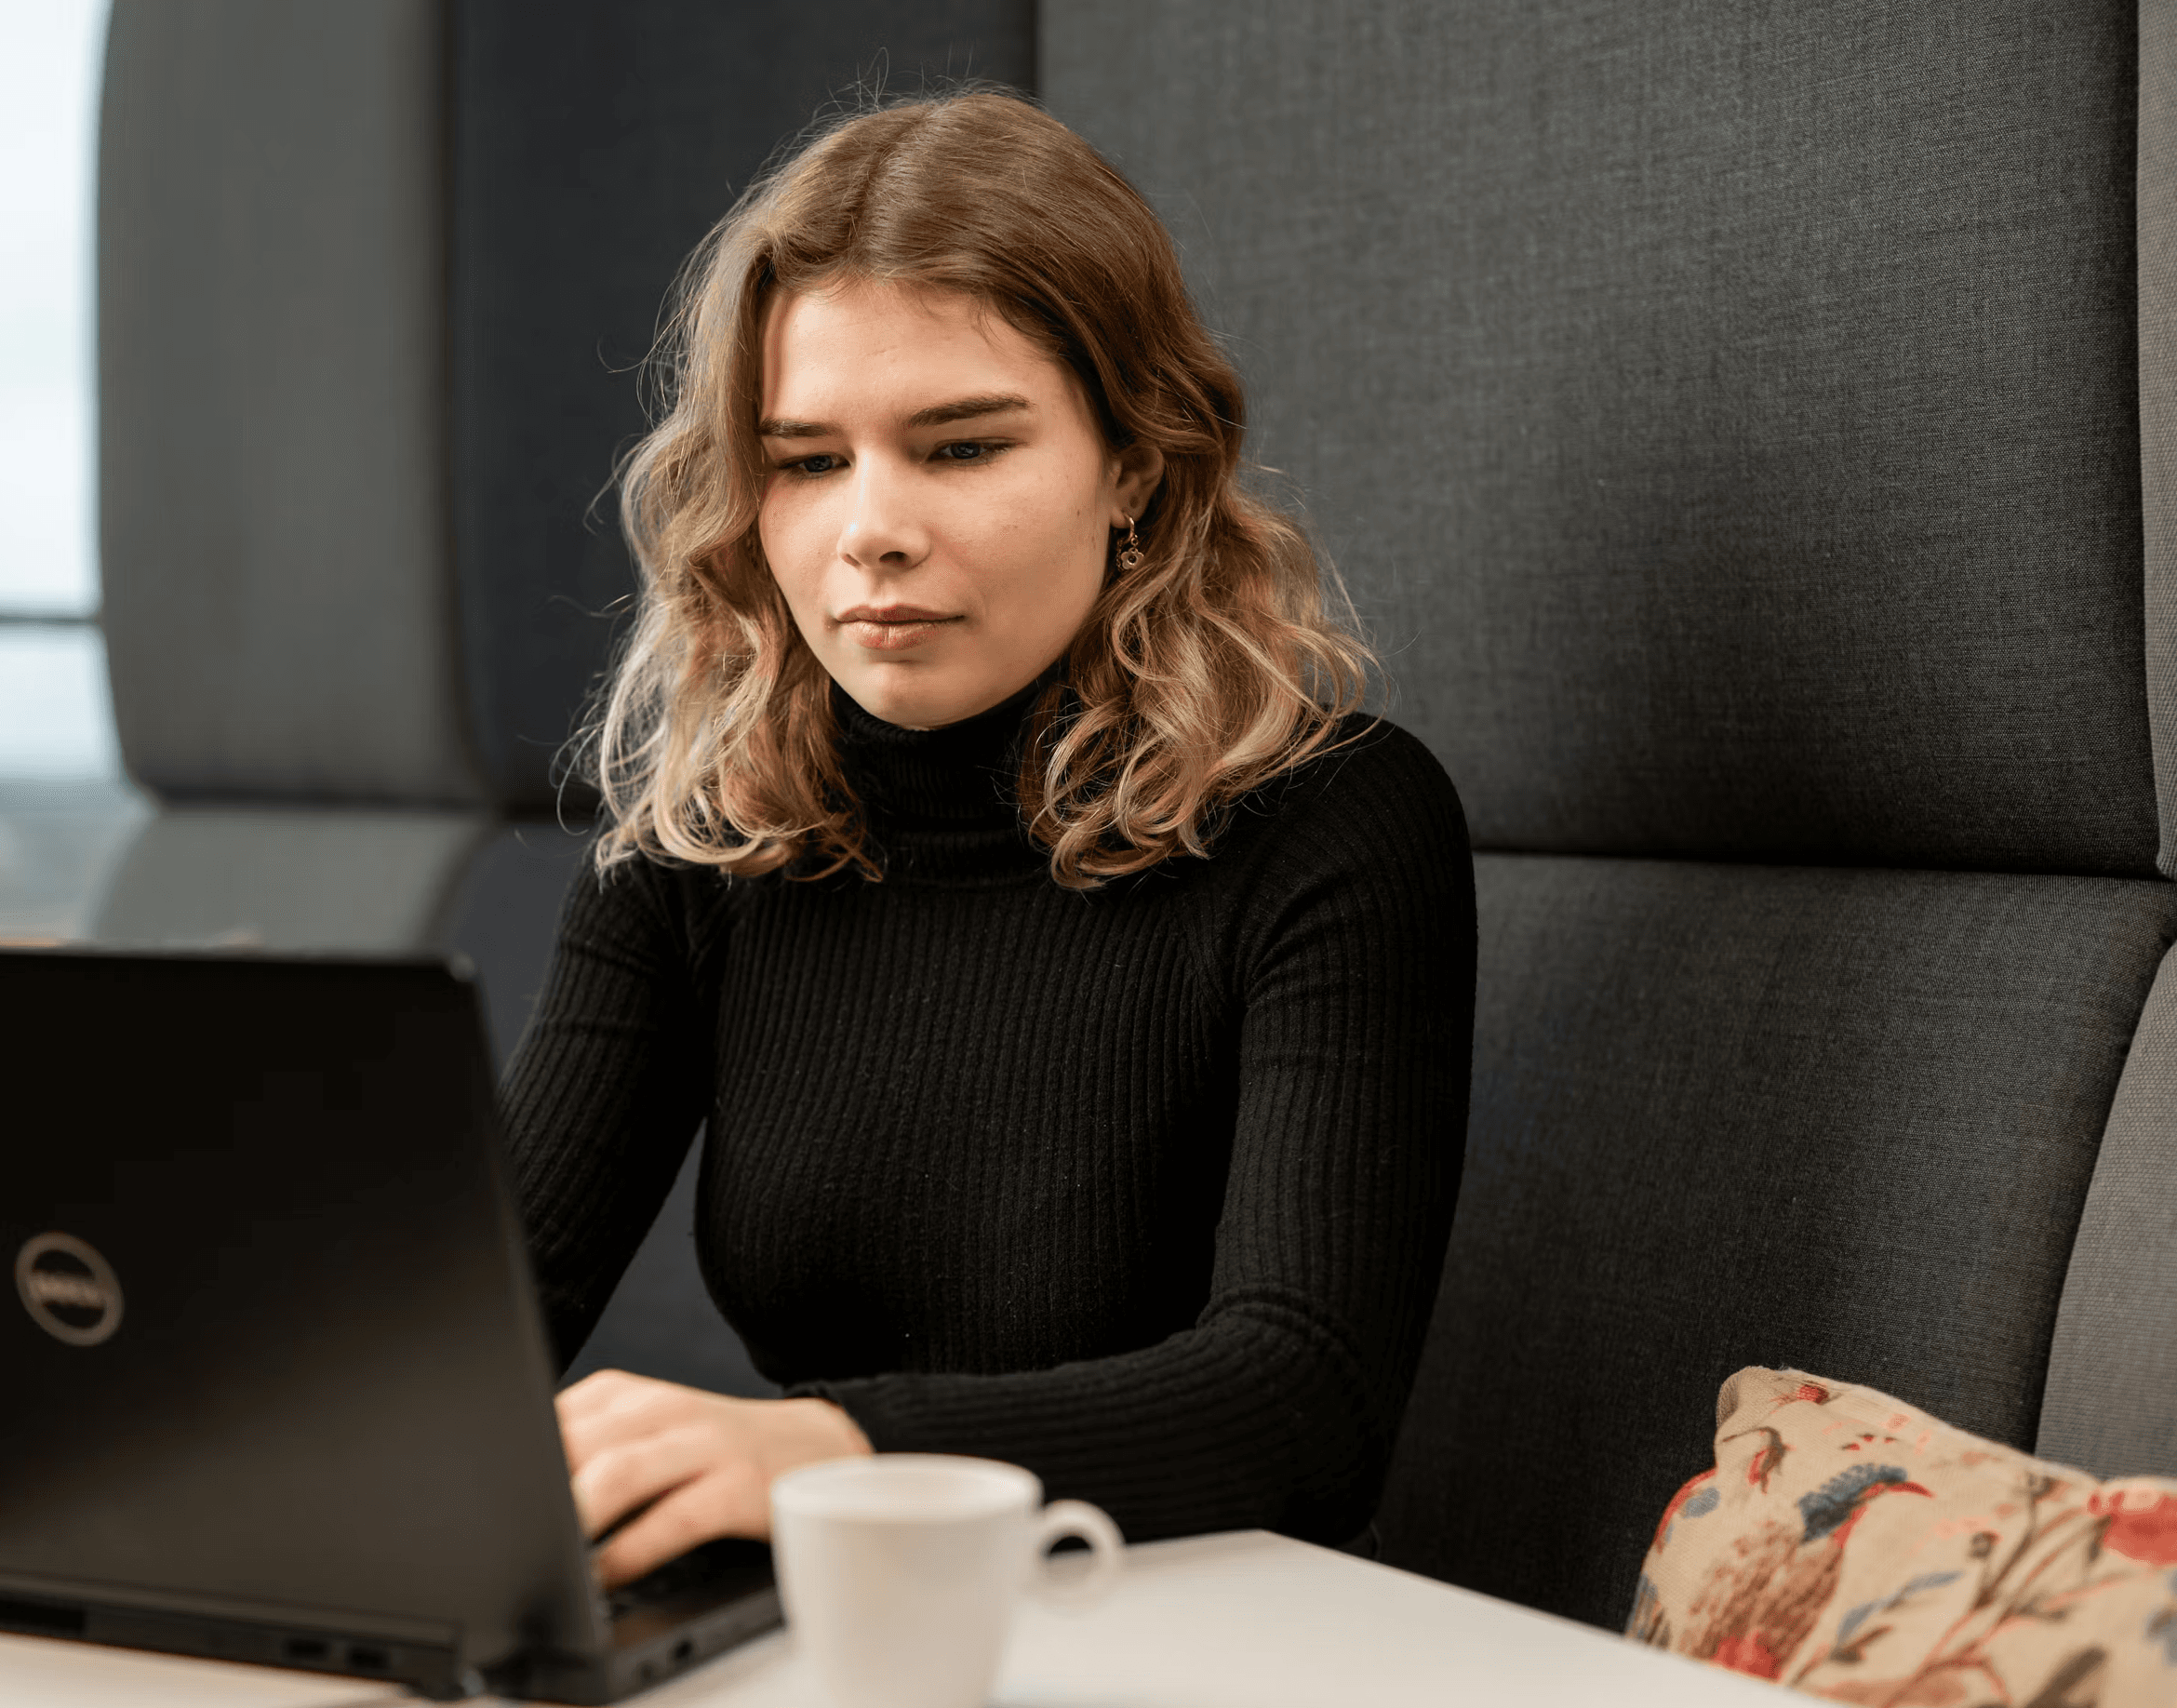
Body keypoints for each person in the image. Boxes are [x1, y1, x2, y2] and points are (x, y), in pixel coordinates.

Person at [501, 88, 1476, 1588]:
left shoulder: (1333, 822)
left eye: (958, 448)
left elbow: (1307, 1401)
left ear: (1136, 466)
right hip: (852, 1637)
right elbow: (483, 1322)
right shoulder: (700, 848)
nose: (866, 531)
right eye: (806, 460)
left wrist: (823, 1451)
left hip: (1213, 1661)